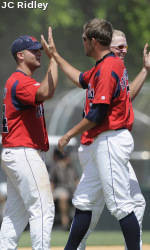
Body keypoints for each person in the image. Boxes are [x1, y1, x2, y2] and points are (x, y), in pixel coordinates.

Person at [42, 19, 143, 250]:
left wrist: (68, 134)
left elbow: (97, 113)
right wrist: (55, 56)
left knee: (121, 206)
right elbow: (80, 79)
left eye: (84, 39)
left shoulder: (108, 68)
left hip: (110, 139)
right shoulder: (104, 65)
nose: (83, 43)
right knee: (84, 202)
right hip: (103, 141)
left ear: (94, 41)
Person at [0, 28, 58, 249]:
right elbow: (46, 92)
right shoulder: (20, 81)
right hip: (23, 151)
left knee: (16, 216)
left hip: (17, 152)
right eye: (33, 50)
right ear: (20, 55)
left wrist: (52, 59)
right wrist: (54, 59)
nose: (39, 52)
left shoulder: (19, 81)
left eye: (40, 50)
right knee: (43, 209)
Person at [50, 148, 78, 230]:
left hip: (71, 190)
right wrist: (50, 194)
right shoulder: (56, 166)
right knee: (63, 196)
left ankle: (76, 224)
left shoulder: (72, 167)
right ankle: (65, 223)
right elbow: (52, 182)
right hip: (59, 189)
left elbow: (76, 180)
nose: (69, 159)